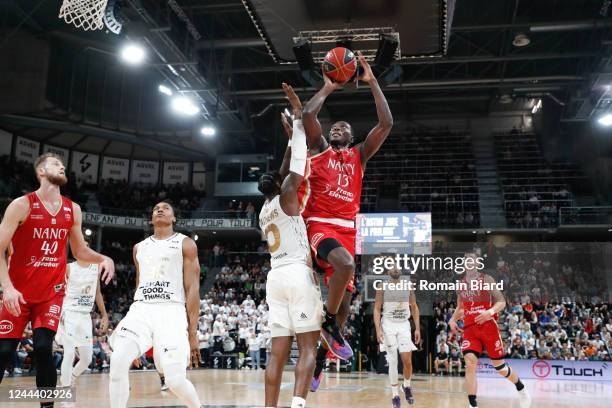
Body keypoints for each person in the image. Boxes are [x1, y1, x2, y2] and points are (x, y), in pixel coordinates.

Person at [280, 52, 393, 389]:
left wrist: (372, 82)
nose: (338, 128)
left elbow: (386, 124)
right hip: (319, 226)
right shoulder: (321, 150)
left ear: (352, 135)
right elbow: (310, 114)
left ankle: (320, 362)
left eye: (344, 127)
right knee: (344, 268)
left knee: (343, 307)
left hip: (348, 230)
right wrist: (327, 86)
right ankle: (327, 324)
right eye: (335, 128)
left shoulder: (359, 156)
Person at [0, 153, 115, 408]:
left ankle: (48, 405)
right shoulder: (22, 205)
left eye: (63, 165)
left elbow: (80, 251)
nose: (62, 166)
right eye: (55, 164)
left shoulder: (72, 209)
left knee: (43, 348)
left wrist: (104, 258)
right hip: (17, 293)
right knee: (4, 352)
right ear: (41, 171)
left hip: (50, 294)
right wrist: (6, 288)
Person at [259, 87, 323, 408]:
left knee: (277, 353)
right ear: (279, 183)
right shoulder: (286, 195)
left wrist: (288, 140)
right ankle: (298, 404)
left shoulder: (264, 209)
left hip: (275, 278)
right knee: (309, 347)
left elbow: (284, 167)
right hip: (297, 273)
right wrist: (298, 121)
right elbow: (296, 165)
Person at [108, 201, 201, 408]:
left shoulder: (185, 243)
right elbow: (139, 283)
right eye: (156, 209)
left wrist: (192, 332)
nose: (160, 210)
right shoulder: (138, 248)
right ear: (151, 219)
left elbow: (193, 289)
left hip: (171, 310)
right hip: (141, 309)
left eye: (166, 208)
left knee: (175, 381)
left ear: (173, 218)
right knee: (118, 362)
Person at [449, 252, 531, 408]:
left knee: (500, 368)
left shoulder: (486, 279)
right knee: (470, 362)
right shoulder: (460, 284)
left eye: (472, 261)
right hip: (470, 329)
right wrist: (453, 319)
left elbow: (501, 301)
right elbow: (461, 307)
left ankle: (521, 387)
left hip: (488, 328)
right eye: (467, 261)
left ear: (477, 263)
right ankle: (473, 405)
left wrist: (489, 312)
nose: (469, 263)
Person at [56, 256, 109, 388]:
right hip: (69, 313)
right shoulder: (69, 268)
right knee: (69, 353)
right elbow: (58, 289)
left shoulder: (95, 268)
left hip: (85, 316)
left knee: (86, 359)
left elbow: (97, 293)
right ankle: (65, 385)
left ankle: (72, 376)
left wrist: (104, 314)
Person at [373, 260, 420, 407]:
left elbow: (414, 306)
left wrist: (417, 328)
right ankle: (395, 395)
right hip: (388, 325)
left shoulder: (408, 286)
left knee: (407, 361)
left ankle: (406, 386)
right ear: (388, 272)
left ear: (400, 270)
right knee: (393, 360)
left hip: (404, 325)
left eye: (396, 266)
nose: (394, 268)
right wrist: (378, 329)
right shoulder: (382, 287)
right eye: (391, 266)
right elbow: (376, 309)